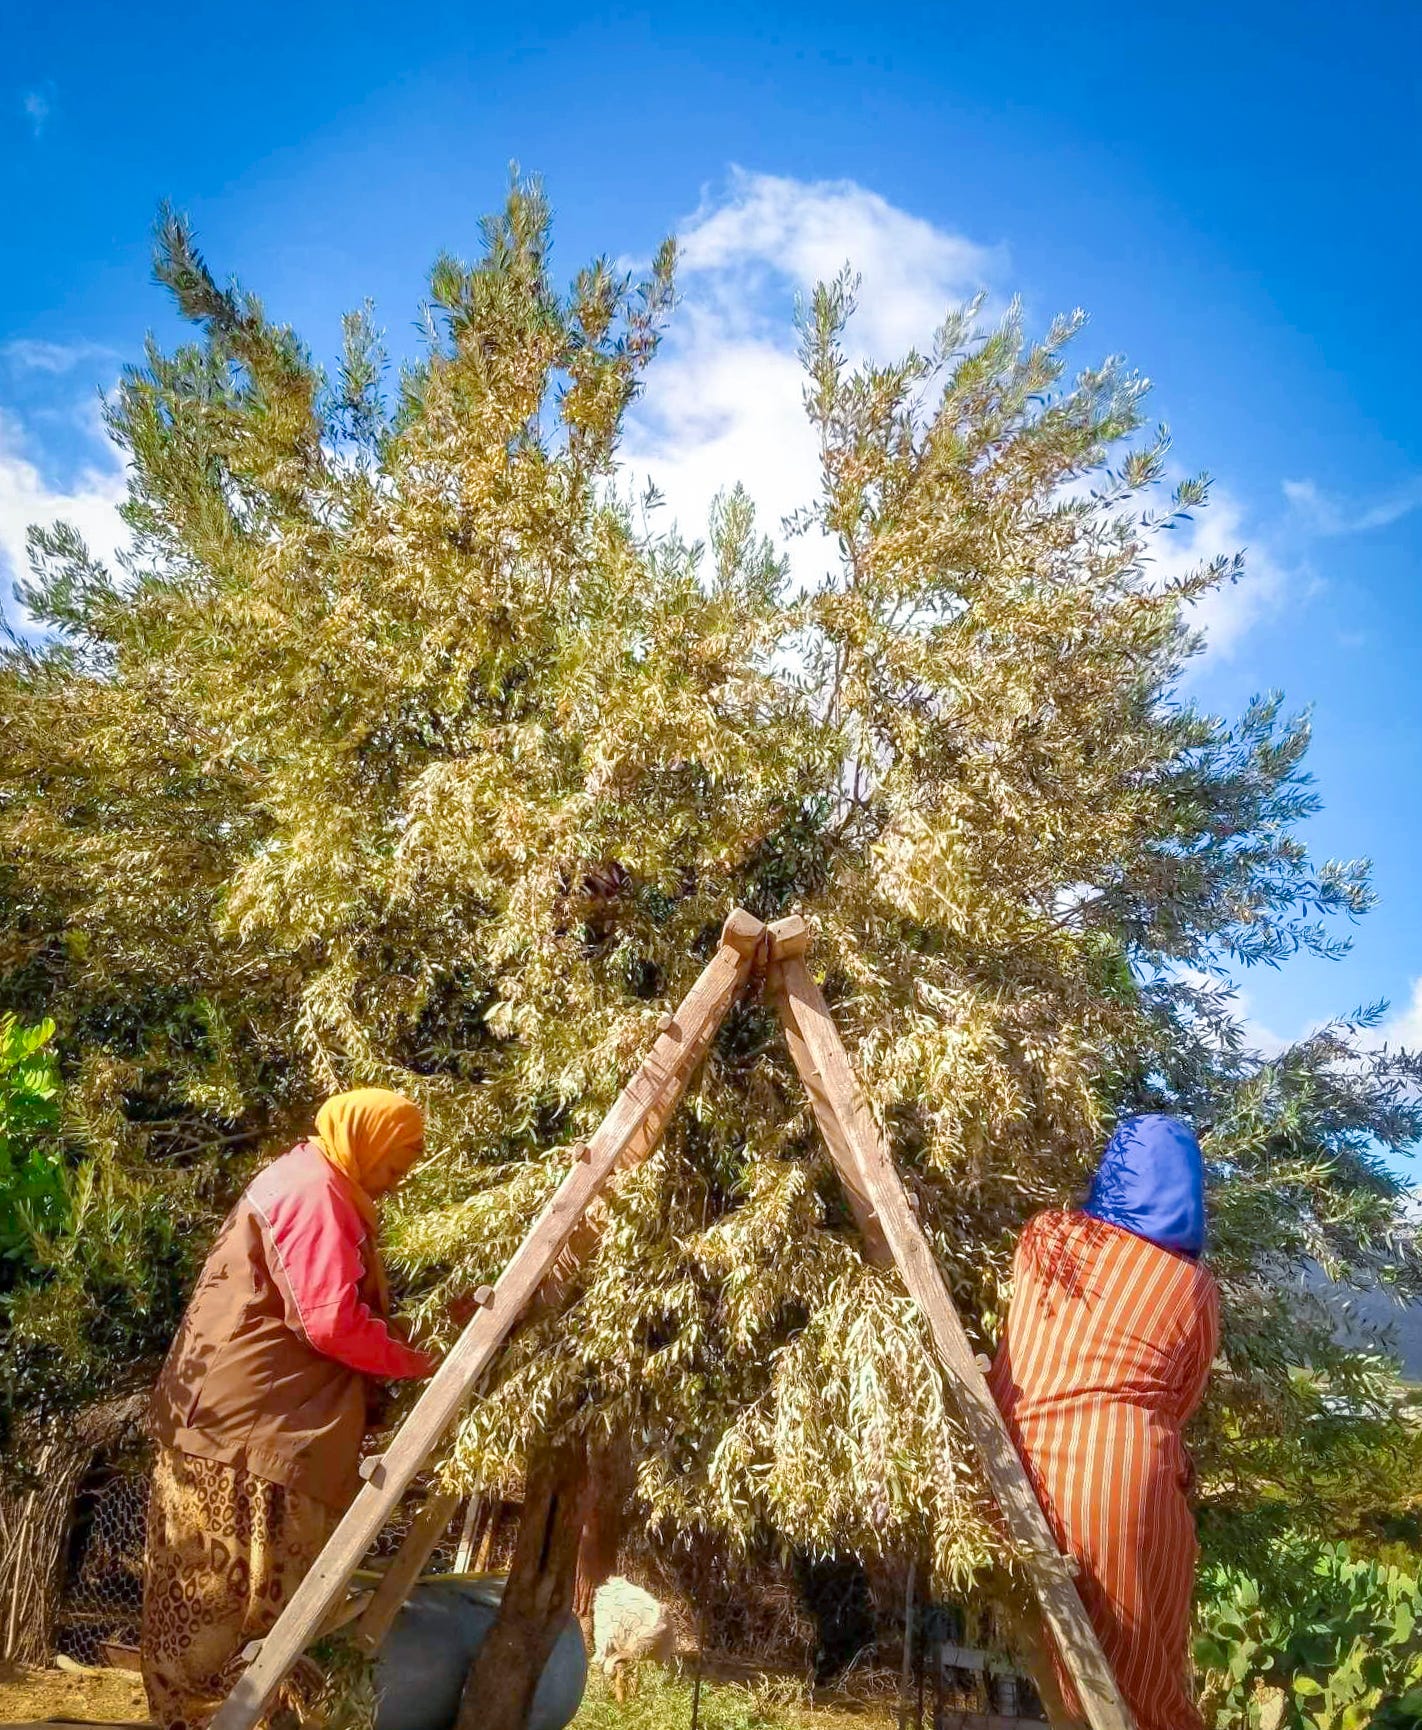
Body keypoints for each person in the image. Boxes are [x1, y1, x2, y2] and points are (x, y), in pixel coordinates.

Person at [141, 1088, 439, 1730]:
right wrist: (419, 1360)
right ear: (366, 1139)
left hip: (233, 1429)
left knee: (213, 1616)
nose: (394, 1183)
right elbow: (330, 1321)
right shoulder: (315, 1195)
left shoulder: (309, 1181)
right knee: (228, 1617)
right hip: (252, 1441)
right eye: (394, 1166)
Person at [987, 1113, 1220, 1730]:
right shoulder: (1191, 1284)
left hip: (1016, 1474)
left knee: (1085, 1678)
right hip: (1125, 1483)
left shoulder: (1044, 1238)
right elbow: (1178, 1399)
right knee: (1150, 1683)